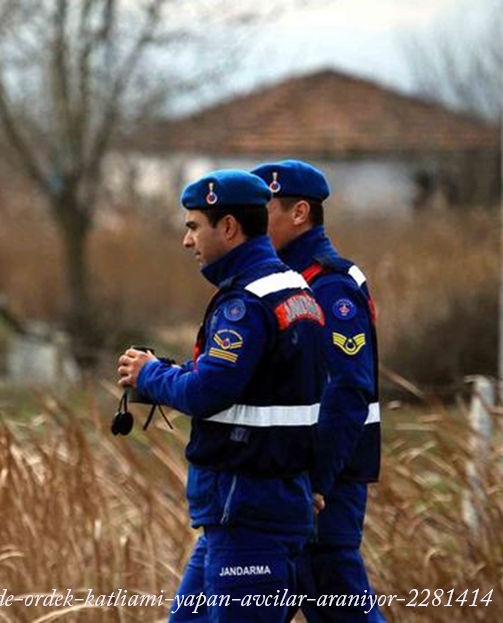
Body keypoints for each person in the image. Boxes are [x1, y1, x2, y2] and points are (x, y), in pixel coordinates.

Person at [117, 169, 326, 622]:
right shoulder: (294, 289)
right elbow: (267, 386)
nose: (186, 240)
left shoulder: (245, 304)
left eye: (193, 225)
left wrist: (150, 376)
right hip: (257, 507)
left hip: (248, 514)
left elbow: (209, 391)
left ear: (228, 227)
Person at [251, 160, 383, 622]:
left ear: (299, 212)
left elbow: (349, 389)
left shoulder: (328, 287)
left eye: (261, 211)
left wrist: (314, 482)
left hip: (326, 484)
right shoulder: (283, 282)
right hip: (299, 483)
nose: (251, 224)